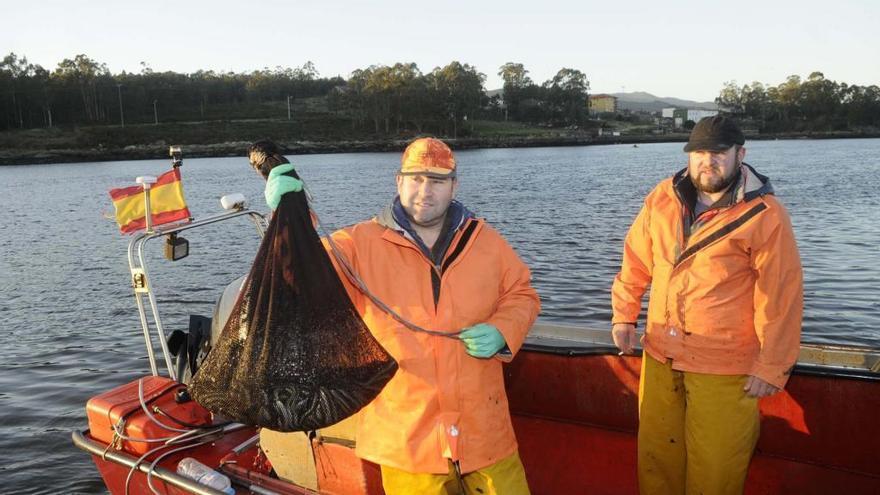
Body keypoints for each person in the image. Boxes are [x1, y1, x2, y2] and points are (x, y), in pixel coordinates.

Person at [258, 137, 540, 495]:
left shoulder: (486, 241)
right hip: (407, 440)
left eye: (437, 181)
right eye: (415, 179)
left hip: (486, 436)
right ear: (399, 181)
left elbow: (523, 294)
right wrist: (289, 217)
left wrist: (503, 329)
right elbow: (298, 274)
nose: (425, 191)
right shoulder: (357, 245)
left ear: (454, 185)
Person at [610, 116, 803, 495]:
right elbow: (635, 259)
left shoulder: (765, 215)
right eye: (699, 152)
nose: (707, 161)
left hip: (724, 366)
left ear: (740, 154)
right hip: (660, 354)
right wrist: (624, 314)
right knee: (657, 463)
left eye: (718, 153)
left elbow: (781, 294)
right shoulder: (663, 197)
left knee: (715, 472)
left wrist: (773, 365)